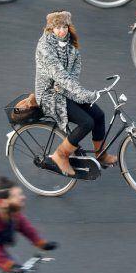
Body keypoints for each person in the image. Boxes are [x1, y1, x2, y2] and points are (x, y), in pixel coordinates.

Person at [35, 10, 119, 177]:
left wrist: (80, 94)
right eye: (57, 27)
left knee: (98, 114)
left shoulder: (71, 47)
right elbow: (60, 75)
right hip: (49, 95)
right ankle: (61, 155)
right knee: (86, 122)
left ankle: (100, 155)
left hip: (66, 91)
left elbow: (73, 74)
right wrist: (86, 95)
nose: (62, 31)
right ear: (51, 29)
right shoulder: (44, 48)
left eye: (64, 26)